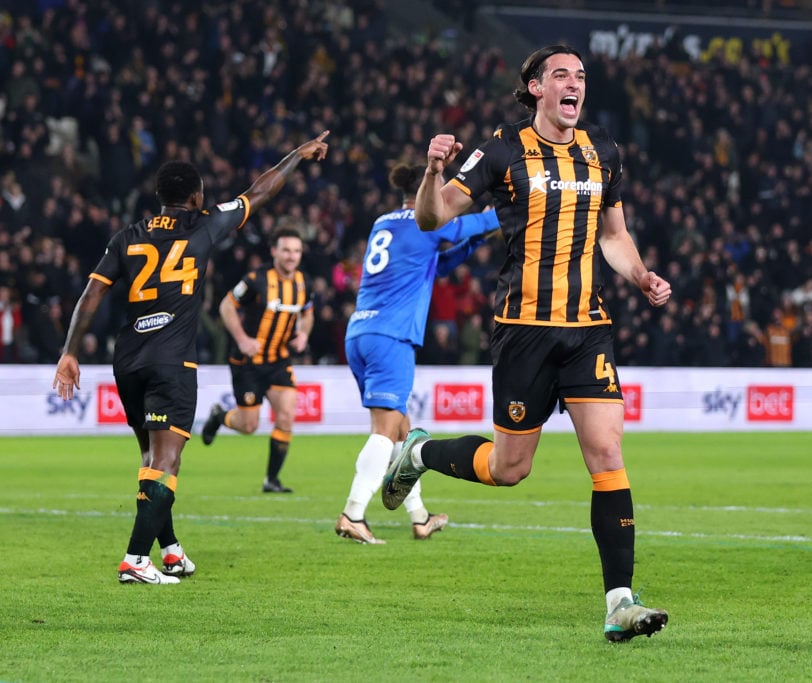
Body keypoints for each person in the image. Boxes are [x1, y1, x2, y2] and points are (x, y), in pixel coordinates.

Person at [383, 45, 671, 641]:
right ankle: (417, 452)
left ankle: (620, 602)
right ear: (535, 88)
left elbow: (614, 235)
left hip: (588, 327)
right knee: (510, 468)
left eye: (581, 77)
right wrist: (434, 172)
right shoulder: (501, 150)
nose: (574, 85)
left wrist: (641, 275)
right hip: (524, 332)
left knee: (608, 455)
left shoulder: (604, 153)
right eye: (561, 76)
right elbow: (433, 220)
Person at [52, 131, 330, 584]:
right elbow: (259, 191)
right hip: (172, 361)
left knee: (151, 458)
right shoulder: (204, 225)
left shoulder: (127, 236)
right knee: (167, 463)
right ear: (196, 196)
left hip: (129, 361)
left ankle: (172, 551)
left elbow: (91, 294)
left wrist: (68, 351)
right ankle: (135, 560)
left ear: (159, 196)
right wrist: (297, 154)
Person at [336, 162, 499, 544]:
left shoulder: (385, 222)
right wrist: (495, 218)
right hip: (391, 336)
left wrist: (473, 243)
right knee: (383, 431)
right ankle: (353, 514)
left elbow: (435, 264)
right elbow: (467, 225)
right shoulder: (426, 222)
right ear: (432, 189)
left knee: (402, 433)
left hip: (360, 332)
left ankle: (420, 517)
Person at [200, 226, 315, 493]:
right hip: (247, 362)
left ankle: (271, 481)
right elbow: (226, 306)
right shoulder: (256, 279)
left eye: (296, 251)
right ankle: (219, 417)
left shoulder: (303, 282)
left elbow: (308, 313)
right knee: (249, 425)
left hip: (279, 360)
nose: (291, 256)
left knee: (286, 415)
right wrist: (241, 339)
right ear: (274, 251)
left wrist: (303, 334)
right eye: (286, 250)